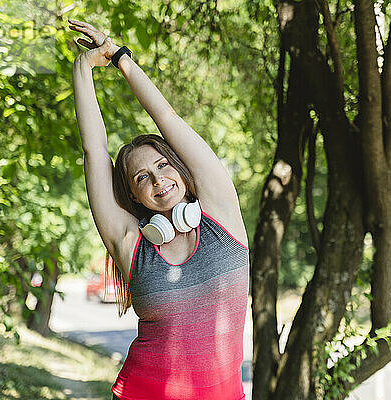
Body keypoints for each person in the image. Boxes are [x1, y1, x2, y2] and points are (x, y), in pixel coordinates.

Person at [69, 19, 250, 400]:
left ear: (180, 168)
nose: (157, 181)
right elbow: (94, 152)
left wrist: (120, 59)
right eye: (141, 178)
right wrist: (83, 69)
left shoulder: (222, 215)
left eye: (163, 166)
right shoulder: (130, 244)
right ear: (135, 196)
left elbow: (167, 118)